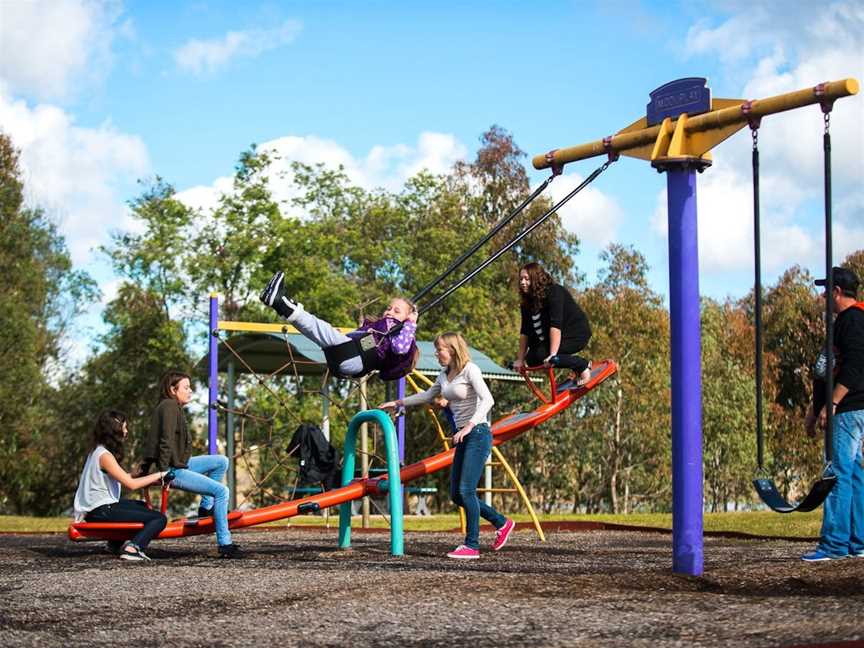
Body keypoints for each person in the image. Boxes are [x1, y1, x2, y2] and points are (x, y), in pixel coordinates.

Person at [380, 332, 515, 560]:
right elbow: (427, 395)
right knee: (456, 495)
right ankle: (502, 522)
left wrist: (469, 426)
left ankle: (471, 545)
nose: (437, 353)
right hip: (462, 435)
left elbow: (488, 399)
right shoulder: (444, 374)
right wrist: (398, 402)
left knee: (466, 491)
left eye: (440, 349)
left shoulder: (470, 369)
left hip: (478, 433)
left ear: (452, 349)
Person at [139, 370, 241, 559]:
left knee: (221, 461)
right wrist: (163, 473)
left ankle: (205, 507)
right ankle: (225, 544)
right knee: (222, 492)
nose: (190, 391)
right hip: (172, 469)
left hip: (180, 464)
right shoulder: (169, 406)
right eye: (186, 387)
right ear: (172, 389)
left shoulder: (171, 406)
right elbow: (165, 441)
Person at [802, 266, 864, 562]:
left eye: (827, 290)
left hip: (850, 408)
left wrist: (833, 403)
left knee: (838, 473)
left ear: (838, 292)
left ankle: (835, 544)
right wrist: (814, 408)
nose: (824, 295)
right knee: (853, 472)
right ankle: (857, 540)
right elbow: (824, 369)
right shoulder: (845, 322)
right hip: (851, 408)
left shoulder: (852, 321)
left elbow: (854, 367)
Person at [260, 270, 419, 381]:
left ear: (406, 318)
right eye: (388, 308)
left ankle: (281, 302)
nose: (390, 312)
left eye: (397, 311)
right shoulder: (380, 332)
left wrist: (411, 323)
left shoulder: (400, 335)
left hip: (354, 359)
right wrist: (345, 337)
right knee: (319, 329)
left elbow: (401, 348)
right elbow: (364, 342)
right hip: (348, 358)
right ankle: (282, 305)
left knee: (319, 328)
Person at [73, 410, 170, 562]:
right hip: (101, 511)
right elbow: (130, 485)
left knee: (141, 506)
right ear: (114, 432)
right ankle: (133, 549)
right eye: (124, 428)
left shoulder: (98, 451)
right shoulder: (105, 456)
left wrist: (140, 472)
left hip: (99, 509)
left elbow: (125, 477)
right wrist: (161, 475)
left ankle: (114, 544)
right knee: (159, 519)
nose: (126, 432)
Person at [512, 262, 592, 385]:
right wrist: (520, 359)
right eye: (521, 279)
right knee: (532, 358)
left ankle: (582, 366)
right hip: (553, 337)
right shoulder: (527, 303)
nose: (522, 282)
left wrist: (553, 356)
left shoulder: (554, 292)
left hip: (576, 334)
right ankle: (573, 367)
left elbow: (555, 325)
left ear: (536, 279)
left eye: (527, 279)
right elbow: (525, 332)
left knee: (543, 355)